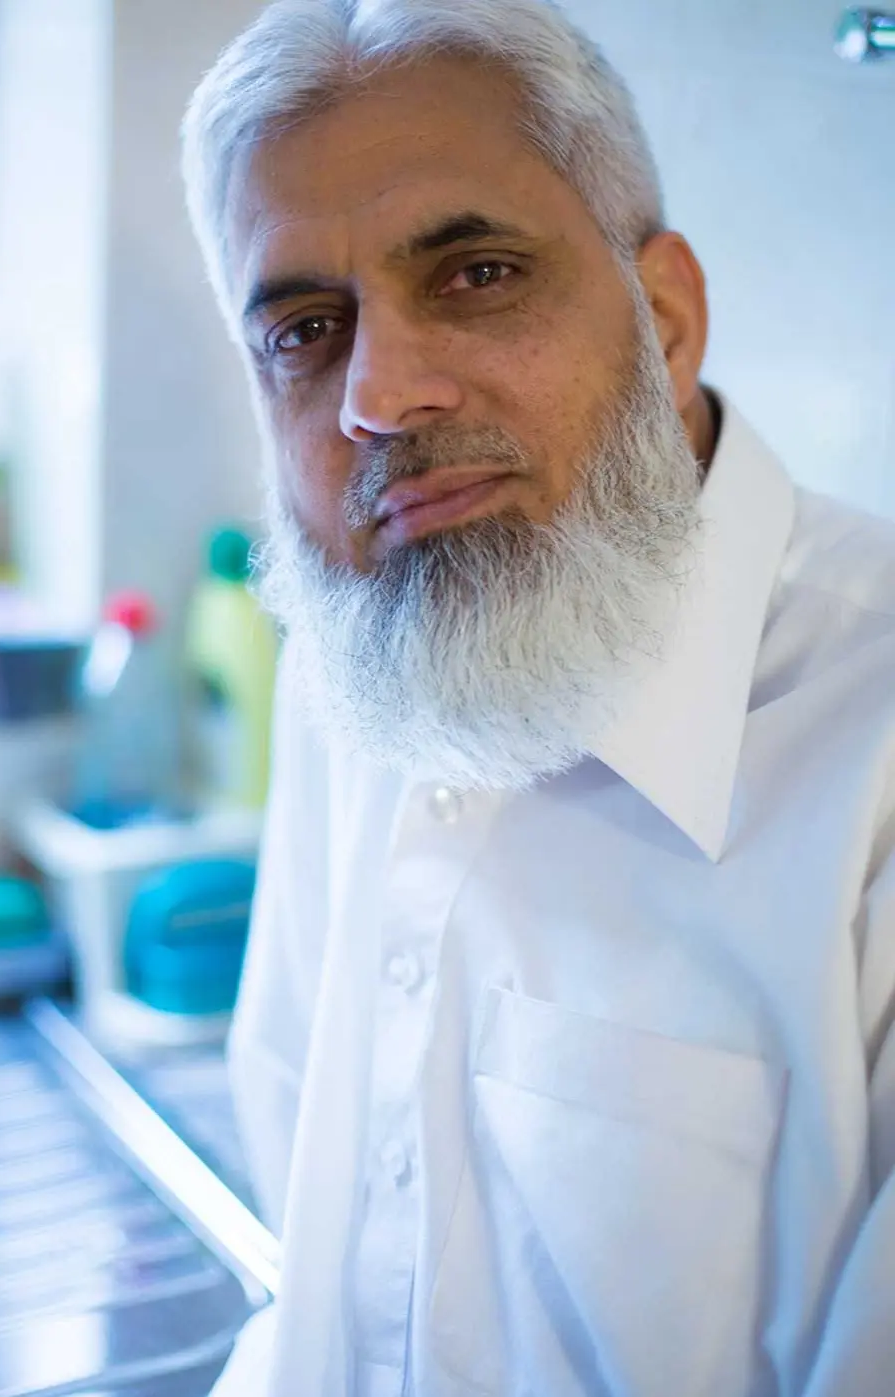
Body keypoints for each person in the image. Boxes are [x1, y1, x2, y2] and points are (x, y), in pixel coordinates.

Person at [181, 2, 895, 1393]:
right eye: (305, 333)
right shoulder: (364, 657)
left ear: (666, 316)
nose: (377, 396)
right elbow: (313, 1270)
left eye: (478, 274)